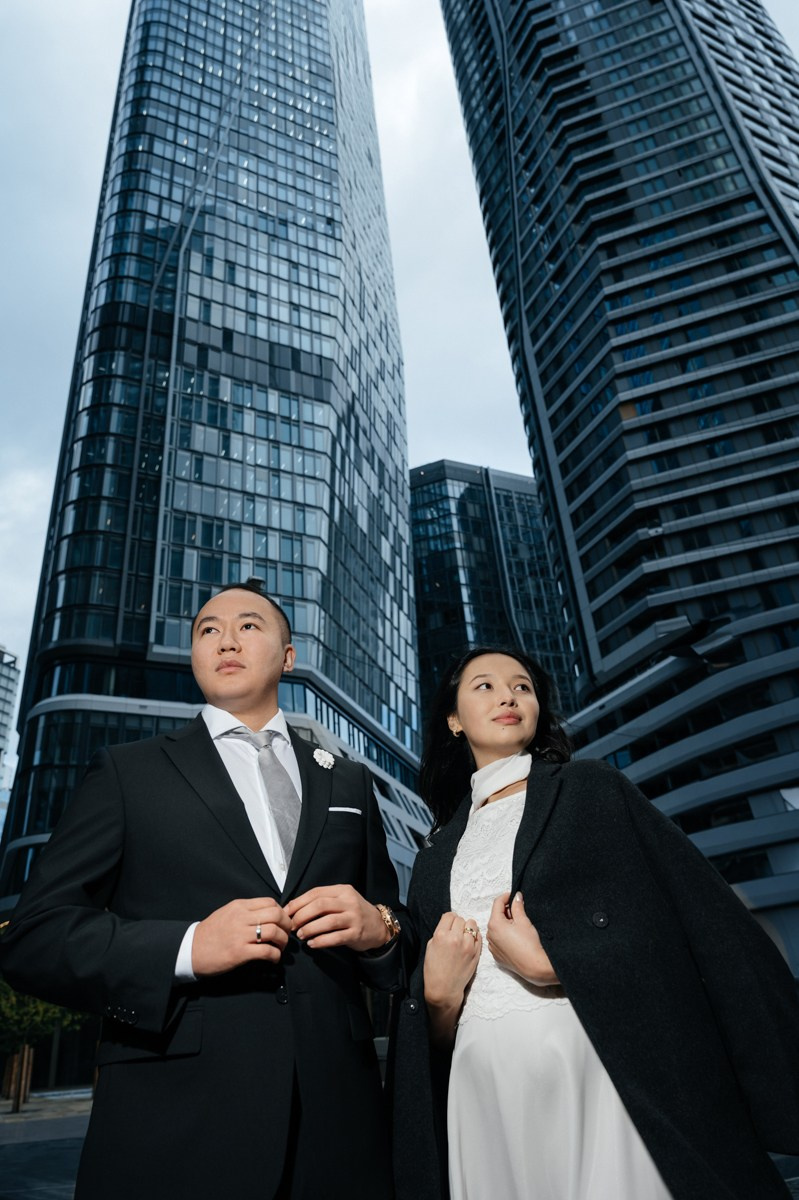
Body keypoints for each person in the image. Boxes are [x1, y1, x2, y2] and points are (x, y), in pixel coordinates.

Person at [0, 580, 404, 1200]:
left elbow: (396, 937)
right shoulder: (128, 772)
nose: (226, 640)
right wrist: (188, 948)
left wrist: (380, 930)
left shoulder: (347, 782)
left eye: (248, 625)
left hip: (340, 1128)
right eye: (207, 629)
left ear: (289, 658)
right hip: (177, 1124)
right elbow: (33, 938)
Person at [391, 646, 799, 1200]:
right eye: (484, 686)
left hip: (597, 1069)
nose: (508, 695)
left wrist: (553, 964)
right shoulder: (435, 854)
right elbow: (432, 1009)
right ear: (454, 720)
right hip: (482, 1092)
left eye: (523, 687)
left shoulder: (590, 789)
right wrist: (437, 1001)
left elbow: (687, 924)